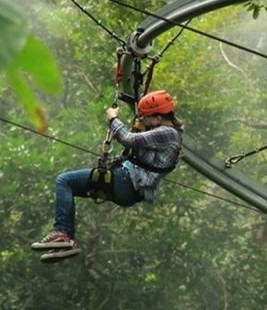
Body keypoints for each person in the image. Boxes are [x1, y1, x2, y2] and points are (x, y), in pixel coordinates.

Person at [31, 90, 184, 263]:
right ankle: (66, 241)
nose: (143, 120)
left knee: (64, 181)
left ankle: (62, 233)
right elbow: (135, 142)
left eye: (146, 117)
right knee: (69, 185)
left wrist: (113, 118)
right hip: (131, 188)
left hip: (126, 181)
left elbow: (128, 139)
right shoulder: (169, 133)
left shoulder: (167, 133)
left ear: (158, 118)